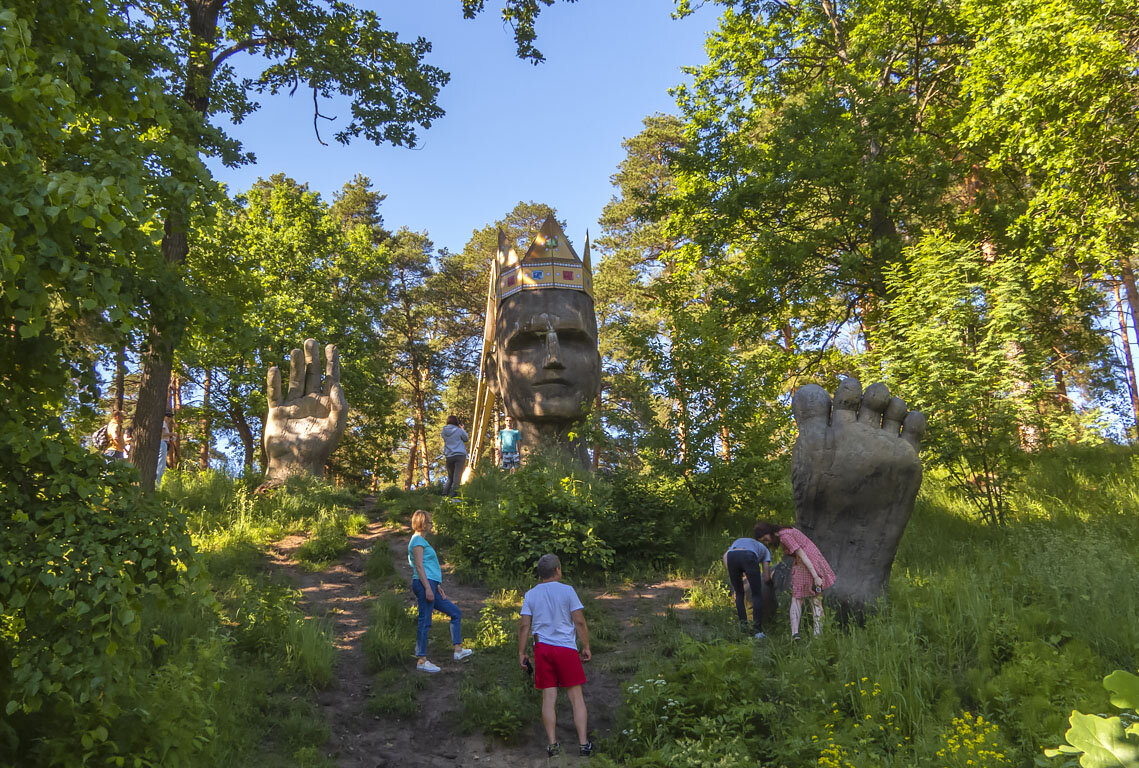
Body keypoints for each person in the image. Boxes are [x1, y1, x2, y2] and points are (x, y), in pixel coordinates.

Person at [518, 554, 593, 758]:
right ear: (558, 570)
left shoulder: (531, 594)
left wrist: (522, 652)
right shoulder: (568, 591)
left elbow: (525, 625)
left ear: (540, 574)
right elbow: (579, 622)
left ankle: (553, 745)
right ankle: (584, 745)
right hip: (566, 649)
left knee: (548, 698)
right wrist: (585, 645)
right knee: (576, 697)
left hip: (542, 649)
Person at [407, 509, 472, 673]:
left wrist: (436, 586)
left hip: (431, 584)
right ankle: (421, 660)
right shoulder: (417, 541)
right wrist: (428, 588)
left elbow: (428, 567)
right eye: (429, 522)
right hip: (424, 584)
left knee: (455, 612)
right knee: (425, 620)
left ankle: (458, 650)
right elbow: (420, 566)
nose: (431, 524)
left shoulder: (421, 541)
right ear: (422, 523)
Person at [754, 521, 836, 639]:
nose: (767, 542)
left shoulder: (784, 536)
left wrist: (815, 576)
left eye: (766, 539)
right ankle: (816, 635)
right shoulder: (785, 532)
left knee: (799, 597)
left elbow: (802, 553)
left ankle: (796, 633)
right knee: (814, 597)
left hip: (807, 563)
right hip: (810, 560)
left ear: (769, 532)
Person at [722, 535, 772, 639]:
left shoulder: (737, 542)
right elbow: (766, 577)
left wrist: (734, 571)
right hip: (749, 556)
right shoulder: (765, 551)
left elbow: (725, 557)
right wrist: (770, 583)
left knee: (739, 593)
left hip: (732, 556)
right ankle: (757, 631)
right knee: (756, 594)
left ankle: (743, 626)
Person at [441, 415, 468, 496]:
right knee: (457, 477)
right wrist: (462, 429)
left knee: (450, 478)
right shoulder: (459, 430)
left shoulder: (444, 431)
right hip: (459, 455)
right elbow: (466, 439)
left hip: (449, 456)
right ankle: (454, 496)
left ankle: (444, 494)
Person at [156, 411, 175, 486]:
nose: (169, 419)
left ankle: (157, 483)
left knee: (161, 464)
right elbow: (162, 435)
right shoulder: (163, 423)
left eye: (170, 417)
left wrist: (170, 438)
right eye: (167, 416)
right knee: (161, 465)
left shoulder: (164, 424)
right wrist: (173, 434)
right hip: (162, 443)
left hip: (164, 443)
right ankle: (157, 484)